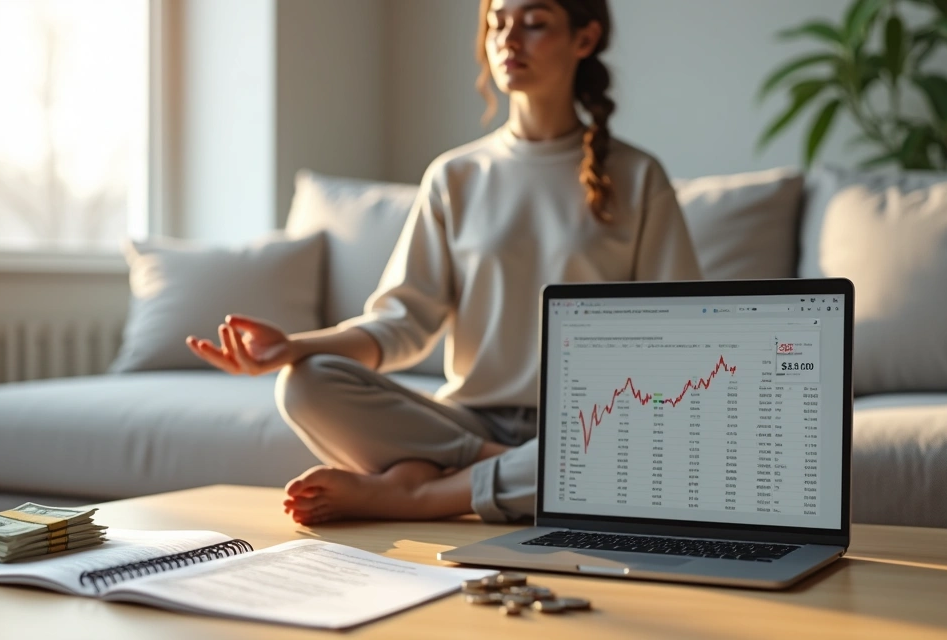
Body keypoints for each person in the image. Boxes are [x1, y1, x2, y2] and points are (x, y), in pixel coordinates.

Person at [186, 0, 701, 526]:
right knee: (304, 383)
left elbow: (681, 343)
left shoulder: (638, 177)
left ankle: (418, 495)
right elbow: (402, 325)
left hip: (590, 427)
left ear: (584, 39)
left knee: (649, 448)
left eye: (534, 23)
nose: (508, 40)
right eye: (497, 23)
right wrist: (294, 347)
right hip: (468, 425)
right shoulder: (455, 176)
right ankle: (513, 472)